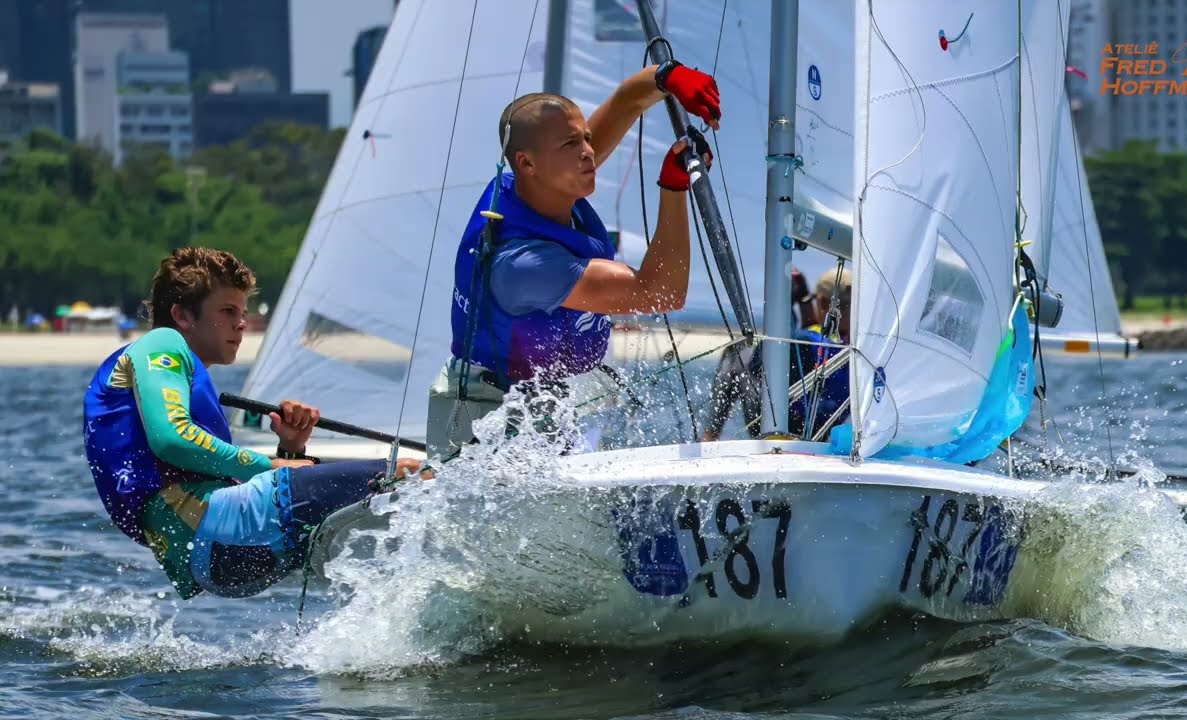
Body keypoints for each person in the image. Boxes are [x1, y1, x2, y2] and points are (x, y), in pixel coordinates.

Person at [83, 247, 423, 600]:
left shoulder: (174, 373)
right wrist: (268, 465)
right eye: (227, 311)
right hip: (220, 528)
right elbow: (171, 439)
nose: (241, 323)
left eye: (243, 313)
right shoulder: (162, 342)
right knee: (412, 474)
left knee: (387, 508)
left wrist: (290, 450)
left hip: (219, 556)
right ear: (182, 315)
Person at [428, 58, 722, 453]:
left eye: (585, 138)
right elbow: (662, 293)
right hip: (486, 414)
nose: (589, 151)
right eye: (572, 144)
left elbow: (626, 101)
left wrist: (668, 76)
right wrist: (673, 189)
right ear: (526, 162)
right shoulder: (523, 264)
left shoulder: (542, 184)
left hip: (535, 404)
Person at [701, 265, 852, 442]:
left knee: (737, 353)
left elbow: (775, 346)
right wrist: (804, 303)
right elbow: (814, 335)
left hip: (776, 426)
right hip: (818, 433)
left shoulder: (806, 341)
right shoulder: (858, 349)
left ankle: (709, 437)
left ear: (823, 302)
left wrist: (787, 299)